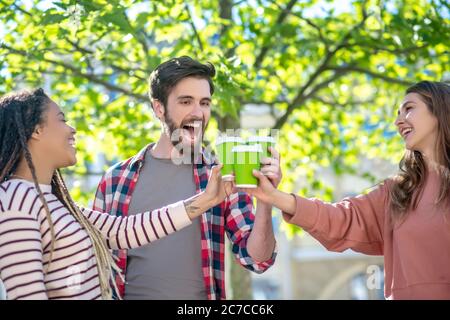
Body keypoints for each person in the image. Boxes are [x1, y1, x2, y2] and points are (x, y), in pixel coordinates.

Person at [0, 88, 230, 300]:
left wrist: (206, 200)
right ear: (36, 130)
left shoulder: (50, 199)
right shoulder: (15, 199)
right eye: (62, 120)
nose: (72, 129)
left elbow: (122, 231)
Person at [93, 56, 280, 300]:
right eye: (185, 101)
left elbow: (257, 260)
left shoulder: (222, 174)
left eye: (204, 103)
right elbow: (94, 263)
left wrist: (266, 199)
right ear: (158, 108)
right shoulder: (116, 180)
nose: (198, 113)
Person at [242, 80, 450, 299]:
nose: (398, 121)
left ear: (440, 110)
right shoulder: (397, 192)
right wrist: (273, 196)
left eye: (409, 109)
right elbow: (341, 219)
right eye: (398, 113)